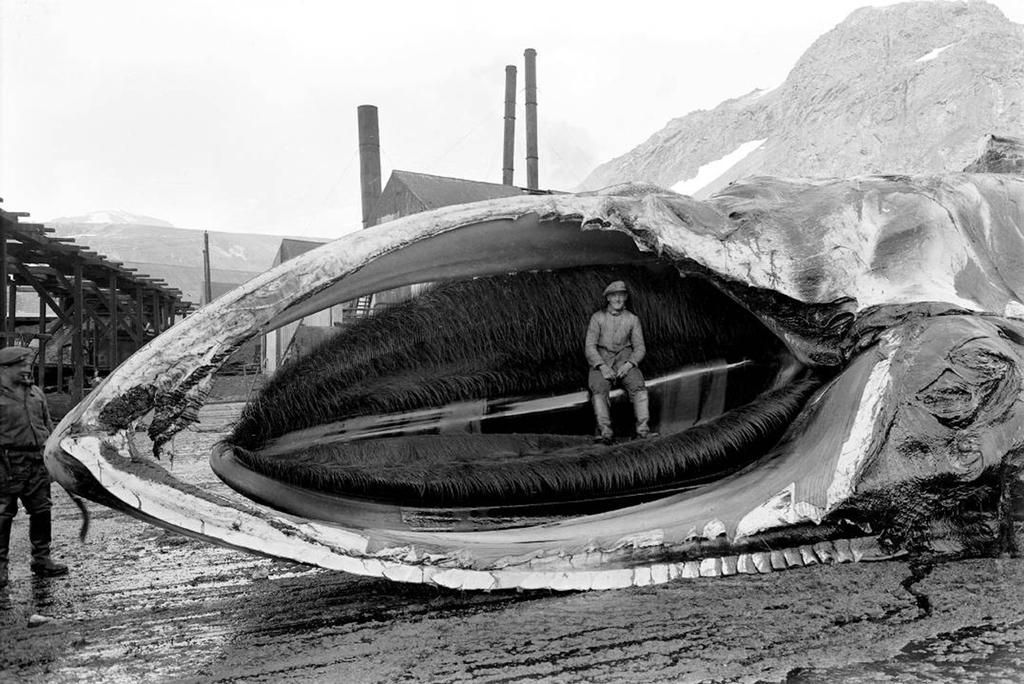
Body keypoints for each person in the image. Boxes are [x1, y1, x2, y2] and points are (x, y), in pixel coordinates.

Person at [0, 346, 68, 589]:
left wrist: (52, 460)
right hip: (6, 463)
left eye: (28, 365)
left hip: (36, 462)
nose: (27, 369)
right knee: (2, 515)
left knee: (42, 511)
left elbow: (49, 427)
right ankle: (0, 568)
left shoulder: (36, 394)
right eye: (21, 365)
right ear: (4, 369)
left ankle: (41, 560)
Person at [584, 280, 652, 444]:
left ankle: (643, 432)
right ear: (608, 298)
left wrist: (629, 364)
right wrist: (601, 366)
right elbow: (590, 347)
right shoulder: (597, 318)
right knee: (599, 389)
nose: (618, 300)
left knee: (639, 387)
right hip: (602, 358)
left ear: (626, 297)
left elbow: (640, 347)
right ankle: (605, 433)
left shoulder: (632, 319)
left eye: (621, 295)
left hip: (625, 357)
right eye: (614, 296)